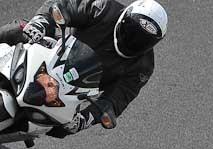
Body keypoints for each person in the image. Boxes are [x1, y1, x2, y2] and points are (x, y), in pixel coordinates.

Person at [0, 0, 167, 136]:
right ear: (123, 19)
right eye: (131, 31)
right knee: (19, 29)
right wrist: (41, 22)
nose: (134, 40)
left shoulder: (143, 67)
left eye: (143, 40)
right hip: (56, 48)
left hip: (74, 90)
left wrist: (88, 118)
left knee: (64, 128)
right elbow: (64, 6)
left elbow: (117, 99)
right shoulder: (103, 8)